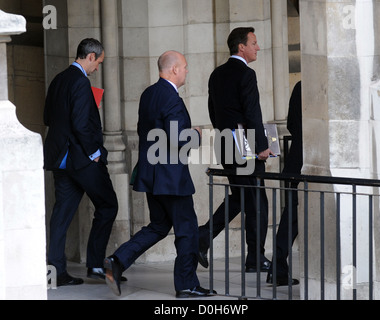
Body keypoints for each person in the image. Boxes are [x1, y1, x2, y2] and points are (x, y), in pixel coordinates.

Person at [104, 50, 215, 298]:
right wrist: (196, 134)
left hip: (152, 174)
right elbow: (177, 138)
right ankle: (186, 284)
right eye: (185, 67)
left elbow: (144, 130)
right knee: (187, 229)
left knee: (158, 226)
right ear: (174, 69)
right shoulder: (172, 99)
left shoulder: (149, 94)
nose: (187, 71)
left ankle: (117, 260)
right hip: (171, 177)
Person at [43, 38, 120, 286]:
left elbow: (47, 117)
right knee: (108, 205)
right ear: (89, 57)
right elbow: (80, 124)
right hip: (81, 159)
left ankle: (56, 271)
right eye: (98, 62)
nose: (97, 68)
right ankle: (96, 265)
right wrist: (94, 153)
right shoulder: (79, 81)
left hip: (60, 159)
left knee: (61, 215)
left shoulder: (58, 79)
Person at [198, 27, 273, 273]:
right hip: (246, 146)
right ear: (241, 47)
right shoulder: (246, 74)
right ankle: (255, 258)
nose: (257, 47)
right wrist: (262, 147)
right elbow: (252, 112)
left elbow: (213, 111)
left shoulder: (216, 74)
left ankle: (203, 237)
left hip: (225, 143)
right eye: (254, 42)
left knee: (241, 197)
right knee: (256, 202)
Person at [266, 81, 302, 286]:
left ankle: (277, 269)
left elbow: (291, 125)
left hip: (296, 160)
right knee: (292, 218)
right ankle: (277, 269)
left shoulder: (299, 85)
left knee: (291, 218)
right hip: (307, 161)